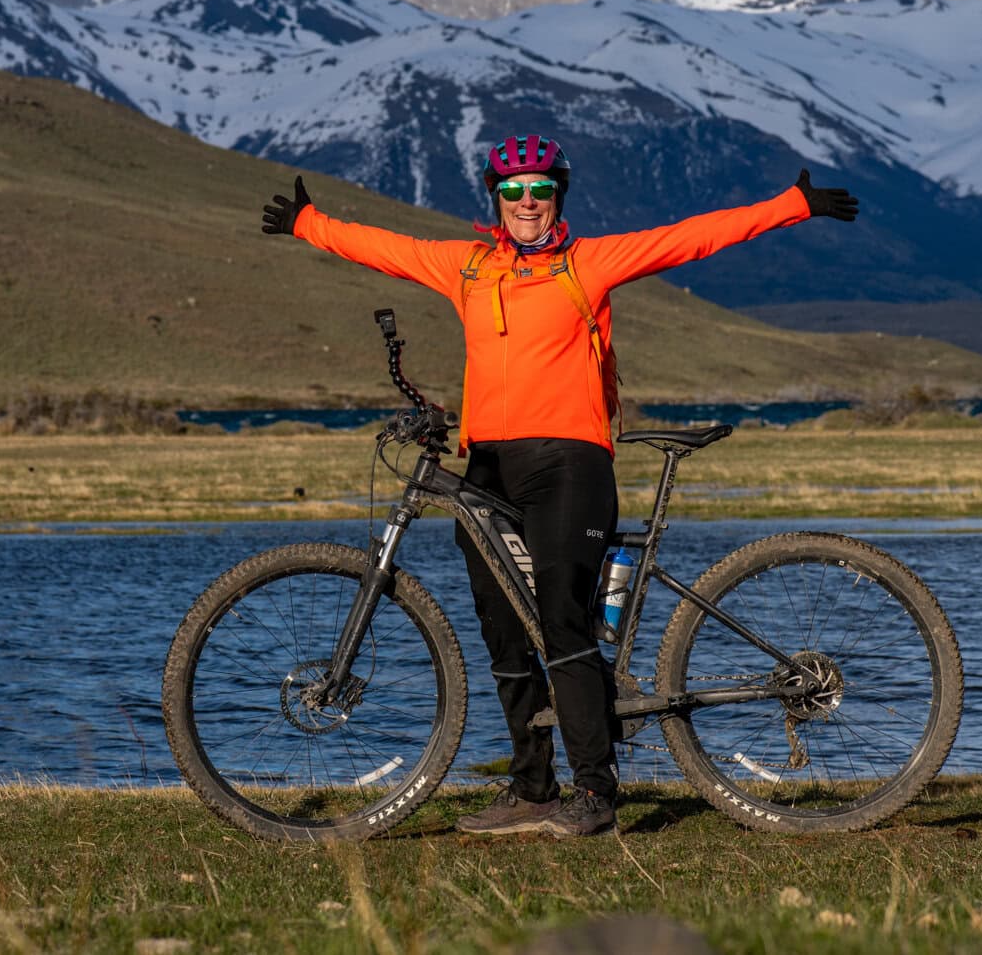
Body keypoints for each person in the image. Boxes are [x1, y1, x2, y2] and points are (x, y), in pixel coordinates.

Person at [261, 135, 858, 837]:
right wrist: (310, 224)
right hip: (487, 469)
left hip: (570, 466)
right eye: (512, 191)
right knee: (503, 632)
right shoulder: (469, 267)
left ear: (558, 195)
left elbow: (690, 239)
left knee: (562, 623)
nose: (526, 202)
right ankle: (532, 786)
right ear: (496, 198)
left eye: (539, 188)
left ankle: (596, 794)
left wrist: (793, 205)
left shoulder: (590, 263)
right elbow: (388, 247)